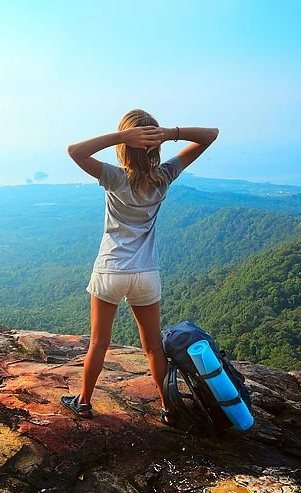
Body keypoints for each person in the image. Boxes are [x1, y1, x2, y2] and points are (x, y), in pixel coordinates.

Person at [60, 109, 218, 423]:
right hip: (146, 273)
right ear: (156, 147)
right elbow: (210, 135)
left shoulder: (114, 177)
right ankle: (168, 409)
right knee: (152, 346)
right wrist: (172, 132)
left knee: (98, 342)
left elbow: (74, 151)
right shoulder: (165, 175)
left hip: (110, 270)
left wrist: (122, 136)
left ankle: (84, 402)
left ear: (125, 147)